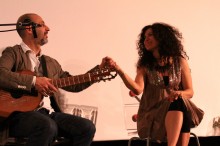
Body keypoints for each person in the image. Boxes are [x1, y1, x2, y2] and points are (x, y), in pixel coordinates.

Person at [0, 13, 110, 146]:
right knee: (47, 126)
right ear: (29, 29)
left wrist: (97, 72)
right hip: (17, 116)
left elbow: (73, 84)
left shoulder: (51, 63)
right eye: (42, 24)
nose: (48, 28)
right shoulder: (13, 53)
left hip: (48, 114)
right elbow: (1, 73)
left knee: (87, 127)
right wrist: (34, 82)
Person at [102, 22, 203, 146]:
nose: (146, 39)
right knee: (179, 104)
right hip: (153, 114)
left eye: (150, 35)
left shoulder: (180, 61)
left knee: (179, 101)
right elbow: (138, 89)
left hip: (177, 111)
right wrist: (119, 70)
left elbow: (190, 92)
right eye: (144, 37)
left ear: (162, 37)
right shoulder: (145, 65)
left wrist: (179, 93)